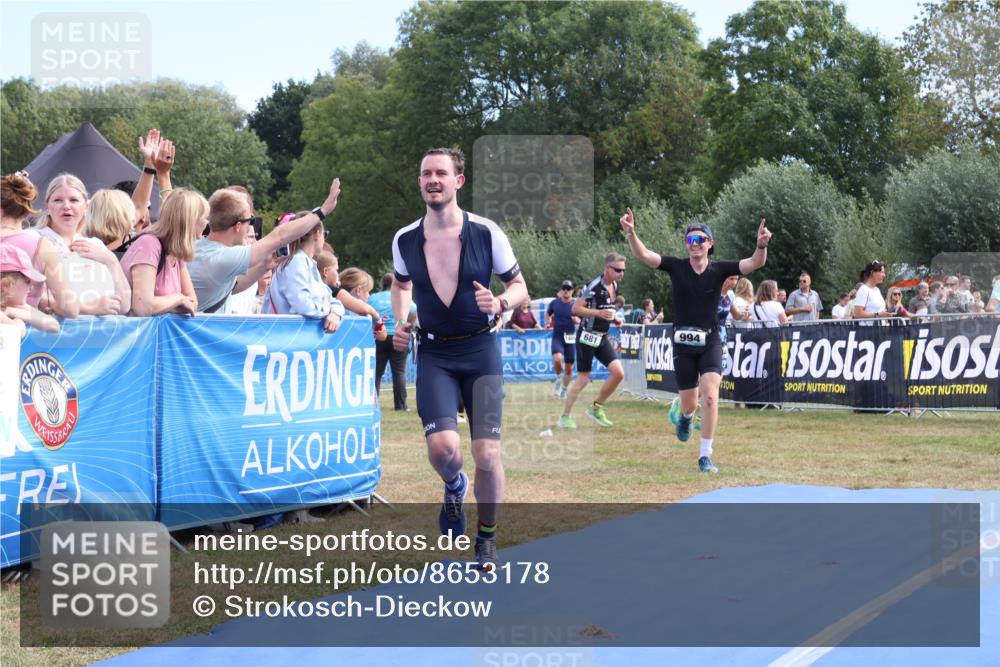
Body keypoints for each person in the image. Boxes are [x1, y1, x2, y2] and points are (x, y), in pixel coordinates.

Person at [390, 147, 527, 571]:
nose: (433, 179)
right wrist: (401, 321)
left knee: (487, 454)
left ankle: (486, 538)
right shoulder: (404, 238)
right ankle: (453, 486)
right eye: (426, 173)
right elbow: (400, 284)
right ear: (419, 182)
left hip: (480, 349)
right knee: (443, 449)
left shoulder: (487, 232)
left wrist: (501, 301)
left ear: (458, 182)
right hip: (435, 353)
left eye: (441, 173)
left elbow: (519, 284)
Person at [621, 208, 771, 474]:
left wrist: (761, 245)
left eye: (701, 239)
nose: (695, 244)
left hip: (711, 341)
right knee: (690, 402)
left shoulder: (720, 269)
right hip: (682, 344)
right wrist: (631, 233)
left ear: (710, 244)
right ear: (686, 245)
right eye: (691, 240)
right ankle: (686, 416)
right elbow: (644, 255)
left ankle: (705, 456)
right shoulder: (676, 266)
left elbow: (754, 263)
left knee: (711, 396)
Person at [189, 178, 341, 313]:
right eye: (250, 221)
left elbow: (232, 287)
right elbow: (279, 237)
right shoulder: (223, 257)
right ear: (237, 226)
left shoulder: (198, 247)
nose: (251, 227)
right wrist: (322, 211)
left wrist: (263, 266)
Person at [36, 174, 131, 316]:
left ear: (86, 206)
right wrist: (88, 307)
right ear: (47, 206)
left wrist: (111, 261)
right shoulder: (35, 239)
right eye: (58, 200)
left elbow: (123, 306)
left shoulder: (95, 245)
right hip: (52, 334)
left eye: (74, 200)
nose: (66, 206)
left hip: (100, 334)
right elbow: (32, 297)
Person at [558, 253, 628, 430]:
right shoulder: (594, 286)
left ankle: (596, 408)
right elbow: (575, 309)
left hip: (602, 337)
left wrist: (614, 319)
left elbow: (607, 309)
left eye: (623, 270)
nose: (621, 273)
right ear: (607, 268)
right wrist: (598, 314)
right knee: (583, 379)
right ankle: (564, 417)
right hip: (587, 337)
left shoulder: (614, 285)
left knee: (619, 373)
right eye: (618, 270)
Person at [0, 171, 78, 318]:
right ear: (26, 211)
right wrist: (48, 305)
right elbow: (70, 308)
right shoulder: (41, 245)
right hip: (24, 334)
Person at [119, 188, 204, 316]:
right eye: (204, 218)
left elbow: (193, 302)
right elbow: (143, 307)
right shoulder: (149, 244)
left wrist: (169, 305)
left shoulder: (176, 252)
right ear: (190, 221)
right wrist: (178, 299)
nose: (206, 223)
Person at [369, 273, 416, 411]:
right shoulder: (401, 295)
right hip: (398, 335)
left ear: (382, 284)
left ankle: (373, 405)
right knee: (399, 372)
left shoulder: (373, 298)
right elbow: (415, 311)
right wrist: (409, 325)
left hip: (379, 337)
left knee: (376, 373)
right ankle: (400, 406)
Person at [1, 244, 59, 334]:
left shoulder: (13, 305)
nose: (31, 287)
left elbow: (53, 325)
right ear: (5, 286)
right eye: (27, 282)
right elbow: (18, 331)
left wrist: (10, 311)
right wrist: (18, 321)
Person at [338, 267, 389, 343]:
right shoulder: (366, 314)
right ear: (358, 290)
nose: (369, 296)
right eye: (367, 291)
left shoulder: (334, 307)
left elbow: (382, 336)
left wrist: (382, 332)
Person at [547, 280, 579, 399]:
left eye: (568, 288)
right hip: (558, 336)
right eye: (564, 288)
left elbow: (581, 319)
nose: (566, 290)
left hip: (570, 337)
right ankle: (559, 378)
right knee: (557, 358)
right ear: (561, 290)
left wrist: (577, 320)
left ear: (572, 291)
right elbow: (548, 314)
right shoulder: (554, 303)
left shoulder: (576, 304)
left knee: (569, 367)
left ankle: (564, 390)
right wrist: (548, 322)